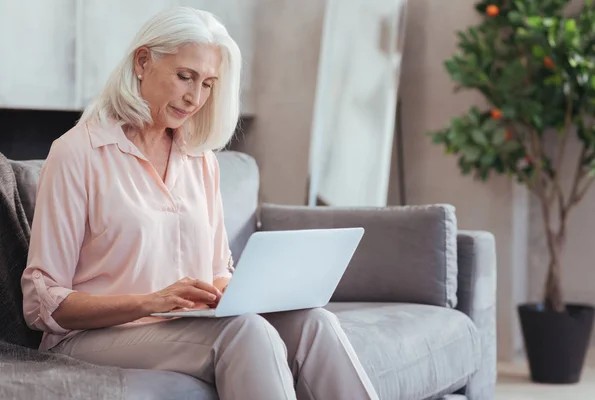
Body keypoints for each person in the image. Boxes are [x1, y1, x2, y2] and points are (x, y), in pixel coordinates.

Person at [20, 7, 379, 400]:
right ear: (143, 61)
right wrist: (150, 301)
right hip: (95, 337)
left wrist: (242, 292)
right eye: (184, 77)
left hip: (184, 327)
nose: (195, 97)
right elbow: (43, 303)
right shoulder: (77, 153)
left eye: (208, 83)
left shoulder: (199, 159)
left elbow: (216, 270)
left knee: (314, 323)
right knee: (245, 332)